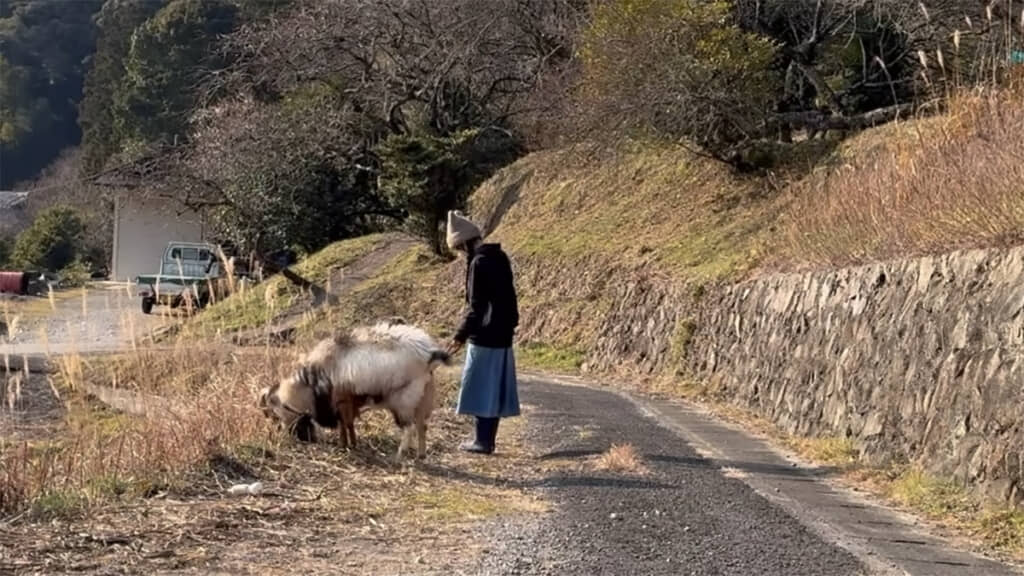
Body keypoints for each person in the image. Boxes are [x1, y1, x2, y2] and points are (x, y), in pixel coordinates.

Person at [444, 210, 520, 455]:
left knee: (479, 388)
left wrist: (460, 335)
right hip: (503, 333)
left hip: (485, 336)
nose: (460, 254)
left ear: (464, 244)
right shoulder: (500, 257)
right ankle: (487, 440)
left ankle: (482, 441)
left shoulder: (479, 263)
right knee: (493, 389)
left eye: (458, 249)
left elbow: (477, 307)